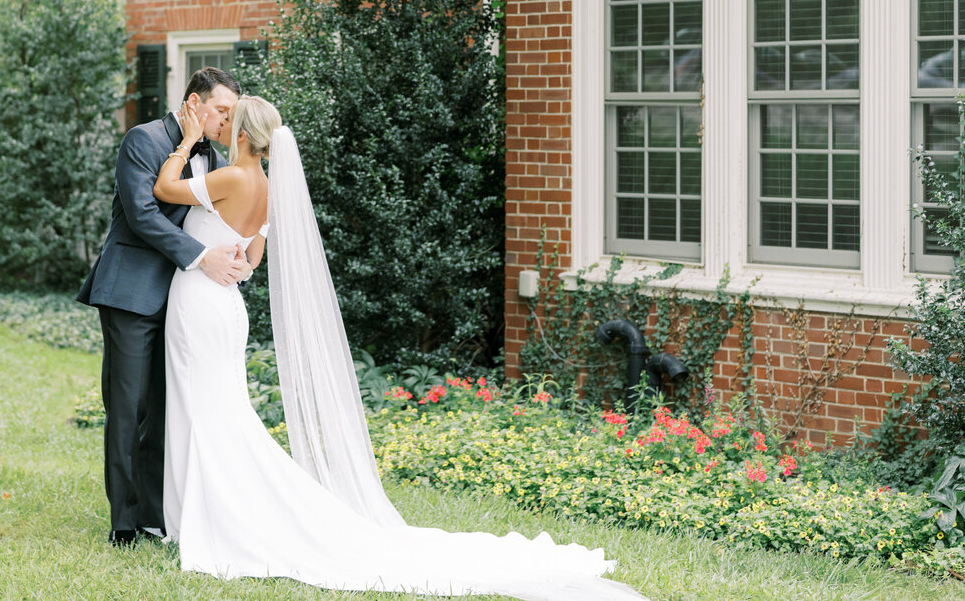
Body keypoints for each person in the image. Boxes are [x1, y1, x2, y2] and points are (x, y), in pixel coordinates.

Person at [149, 94, 647, 601]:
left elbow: (164, 187)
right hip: (226, 303)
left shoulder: (233, 178)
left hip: (204, 304)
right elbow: (253, 260)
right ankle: (206, 513)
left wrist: (187, 141)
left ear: (244, 135)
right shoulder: (267, 187)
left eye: (229, 120)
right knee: (218, 410)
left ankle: (213, 519)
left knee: (208, 411)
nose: (222, 124)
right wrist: (229, 259)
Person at [75, 66, 249, 546]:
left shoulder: (214, 158)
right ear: (194, 103)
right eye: (220, 111)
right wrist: (201, 257)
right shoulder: (142, 139)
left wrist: (236, 254)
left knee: (168, 408)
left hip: (183, 300)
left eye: (233, 114)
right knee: (128, 408)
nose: (225, 122)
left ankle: (157, 515)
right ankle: (124, 524)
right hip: (131, 292)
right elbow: (142, 214)